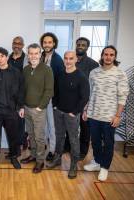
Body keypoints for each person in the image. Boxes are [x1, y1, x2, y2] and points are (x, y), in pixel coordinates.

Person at [83, 45, 129, 181]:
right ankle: (97, 162)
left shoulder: (120, 74)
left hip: (110, 117)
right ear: (102, 56)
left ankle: (104, 167)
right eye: (106, 54)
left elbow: (123, 96)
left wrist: (118, 115)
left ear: (114, 57)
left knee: (108, 143)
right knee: (95, 142)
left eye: (111, 55)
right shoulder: (94, 72)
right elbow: (89, 93)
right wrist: (86, 109)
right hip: (94, 114)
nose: (108, 57)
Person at [47, 51, 89, 179]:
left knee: (73, 140)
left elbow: (85, 97)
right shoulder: (60, 75)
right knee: (59, 137)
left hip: (72, 115)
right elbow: (55, 92)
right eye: (66, 58)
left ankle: (73, 165)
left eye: (71, 58)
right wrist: (54, 106)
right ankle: (57, 158)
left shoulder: (81, 77)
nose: (68, 61)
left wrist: (75, 112)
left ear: (76, 59)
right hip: (58, 112)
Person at [21, 43, 54, 173]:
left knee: (40, 137)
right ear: (28, 55)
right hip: (27, 108)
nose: (33, 56)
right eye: (31, 53)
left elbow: (49, 90)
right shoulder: (25, 70)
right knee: (31, 134)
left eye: (36, 53)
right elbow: (22, 89)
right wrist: (22, 105)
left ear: (40, 55)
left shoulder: (47, 70)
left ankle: (40, 161)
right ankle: (33, 155)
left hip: (39, 109)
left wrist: (40, 107)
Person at [39, 32, 65, 161]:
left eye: (49, 42)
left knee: (52, 126)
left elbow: (60, 83)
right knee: (42, 125)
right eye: (45, 42)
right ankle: (43, 147)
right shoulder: (40, 56)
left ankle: (52, 150)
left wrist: (57, 102)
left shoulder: (58, 60)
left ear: (54, 43)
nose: (47, 45)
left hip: (51, 99)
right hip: (40, 98)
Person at [75, 37, 99, 160]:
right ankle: (68, 146)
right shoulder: (70, 60)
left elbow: (95, 85)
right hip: (71, 100)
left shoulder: (93, 64)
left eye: (83, 45)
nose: (80, 46)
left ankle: (83, 151)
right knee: (71, 125)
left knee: (85, 128)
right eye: (78, 44)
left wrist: (89, 103)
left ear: (87, 47)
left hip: (85, 101)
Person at [8, 36, 29, 151]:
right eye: (14, 43)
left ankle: (19, 147)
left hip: (21, 95)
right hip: (9, 97)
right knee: (11, 123)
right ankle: (14, 148)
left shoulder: (26, 59)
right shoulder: (8, 58)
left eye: (19, 43)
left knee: (20, 122)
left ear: (22, 45)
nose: (16, 45)